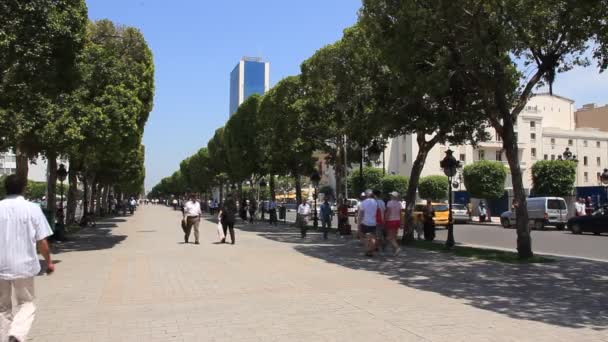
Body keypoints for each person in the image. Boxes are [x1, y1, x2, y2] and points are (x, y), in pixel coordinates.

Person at [0, 175, 54, 342]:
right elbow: (42, 241)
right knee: (27, 303)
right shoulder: (32, 208)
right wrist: (49, 262)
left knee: (2, 308)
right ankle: (17, 333)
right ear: (24, 188)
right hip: (24, 265)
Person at [359, 190, 379, 257]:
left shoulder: (363, 202)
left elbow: (361, 214)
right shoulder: (375, 202)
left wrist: (359, 223)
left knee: (365, 237)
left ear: (366, 195)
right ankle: (371, 250)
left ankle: (368, 250)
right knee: (372, 237)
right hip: (373, 222)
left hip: (365, 222)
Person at [384, 192, 402, 256]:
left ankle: (397, 248)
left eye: (391, 195)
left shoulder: (389, 203)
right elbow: (400, 213)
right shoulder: (399, 203)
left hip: (390, 220)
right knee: (394, 236)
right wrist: (401, 222)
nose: (390, 196)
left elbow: (388, 212)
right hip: (397, 220)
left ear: (392, 196)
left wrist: (385, 219)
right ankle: (395, 250)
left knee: (389, 237)